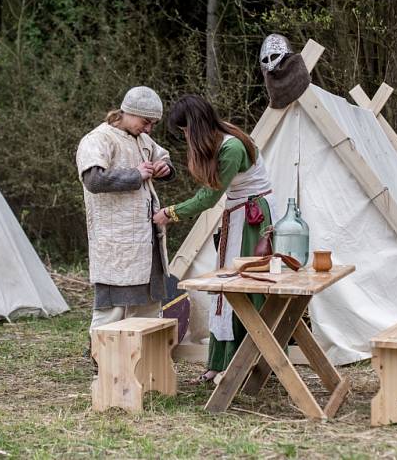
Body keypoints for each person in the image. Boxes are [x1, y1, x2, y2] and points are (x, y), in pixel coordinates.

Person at [153, 94, 277, 384]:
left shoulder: (231, 147)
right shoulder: (223, 138)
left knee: (243, 289)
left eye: (184, 131)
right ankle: (221, 362)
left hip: (251, 219)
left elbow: (209, 197)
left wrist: (170, 213)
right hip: (238, 216)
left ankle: (246, 362)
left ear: (193, 127)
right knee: (225, 290)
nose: (184, 136)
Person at [76, 86, 175, 336]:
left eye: (153, 123)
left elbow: (163, 156)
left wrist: (165, 168)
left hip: (146, 239)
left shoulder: (142, 139)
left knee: (148, 308)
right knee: (112, 310)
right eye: (146, 121)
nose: (149, 128)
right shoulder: (97, 139)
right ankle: (104, 362)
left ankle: (142, 363)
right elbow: (93, 180)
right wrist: (135, 175)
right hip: (115, 240)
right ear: (129, 113)